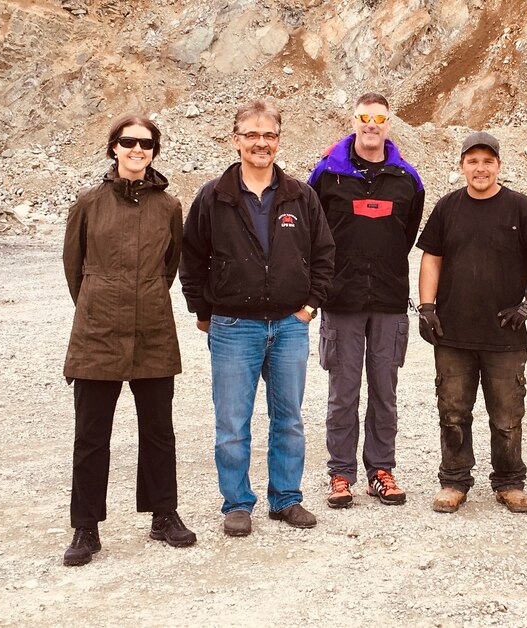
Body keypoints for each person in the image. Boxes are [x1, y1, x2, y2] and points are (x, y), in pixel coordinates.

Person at [180, 100, 335, 537]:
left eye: (268, 135)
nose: (260, 143)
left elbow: (323, 254)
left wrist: (308, 307)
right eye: (251, 135)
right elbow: (191, 258)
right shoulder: (214, 196)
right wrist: (204, 311)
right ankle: (237, 503)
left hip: (289, 324)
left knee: (288, 417)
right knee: (232, 422)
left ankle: (286, 499)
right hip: (233, 326)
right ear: (236, 140)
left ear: (279, 141)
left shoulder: (301, 195)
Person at [62, 114, 195, 566]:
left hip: (153, 332)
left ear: (155, 151)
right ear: (113, 148)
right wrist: (100, 302)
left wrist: (145, 299)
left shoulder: (169, 208)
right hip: (97, 333)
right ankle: (86, 527)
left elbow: (169, 267)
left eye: (146, 143)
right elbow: (74, 270)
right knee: (91, 434)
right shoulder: (87, 203)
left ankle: (163, 516)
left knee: (158, 430)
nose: (137, 150)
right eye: (129, 142)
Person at [416, 131, 527, 514]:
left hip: (506, 334)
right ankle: (454, 480)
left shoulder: (519, 208)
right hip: (453, 332)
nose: (480, 168)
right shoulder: (448, 207)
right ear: (462, 165)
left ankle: (509, 481)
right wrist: (428, 307)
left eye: (487, 161)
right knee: (452, 411)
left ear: (498, 165)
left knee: (507, 415)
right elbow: (431, 257)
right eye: (472, 161)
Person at [308, 93, 424, 509]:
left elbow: (405, 235)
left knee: (384, 390)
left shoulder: (408, 179)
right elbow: (312, 232)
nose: (371, 124)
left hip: (389, 300)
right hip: (341, 300)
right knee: (343, 392)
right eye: (364, 117)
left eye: (379, 118)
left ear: (390, 123)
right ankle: (341, 474)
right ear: (353, 120)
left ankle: (381, 470)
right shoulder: (326, 175)